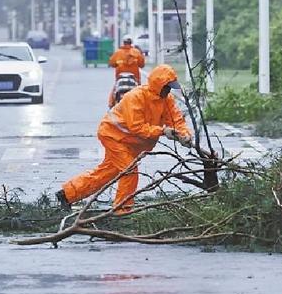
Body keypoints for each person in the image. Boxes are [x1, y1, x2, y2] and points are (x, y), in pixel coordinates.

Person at [57, 64, 192, 214]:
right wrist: (162, 131)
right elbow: (137, 127)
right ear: (158, 84)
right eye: (167, 87)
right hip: (113, 136)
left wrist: (185, 135)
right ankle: (122, 210)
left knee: (107, 172)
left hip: (128, 142)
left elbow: (176, 120)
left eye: (170, 87)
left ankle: (67, 194)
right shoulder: (136, 97)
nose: (169, 90)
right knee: (129, 170)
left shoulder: (166, 100)